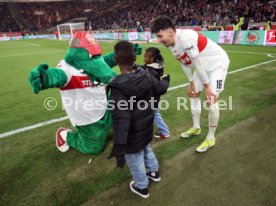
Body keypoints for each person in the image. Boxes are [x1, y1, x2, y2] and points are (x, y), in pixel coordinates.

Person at [150, 16, 230, 153]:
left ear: (170, 32)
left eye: (159, 36)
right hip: (202, 67)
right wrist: (191, 82)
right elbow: (184, 63)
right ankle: (196, 128)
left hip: (217, 65)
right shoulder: (172, 45)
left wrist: (207, 87)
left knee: (212, 99)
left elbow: (197, 63)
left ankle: (211, 138)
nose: (159, 40)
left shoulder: (186, 38)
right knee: (193, 94)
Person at [107, 41, 170, 198]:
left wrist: (119, 146)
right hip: (146, 126)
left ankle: (142, 186)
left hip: (132, 134)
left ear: (115, 60)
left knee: (135, 159)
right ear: (135, 58)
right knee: (147, 149)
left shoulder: (117, 86)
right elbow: (160, 89)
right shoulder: (145, 73)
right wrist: (166, 79)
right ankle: (154, 171)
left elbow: (120, 119)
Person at [142, 47, 170, 139]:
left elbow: (160, 89)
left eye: (145, 56)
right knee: (154, 114)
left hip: (151, 99)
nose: (143, 57)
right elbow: (144, 67)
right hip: (152, 98)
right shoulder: (156, 66)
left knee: (155, 114)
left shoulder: (150, 72)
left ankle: (165, 132)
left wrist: (166, 80)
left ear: (151, 59)